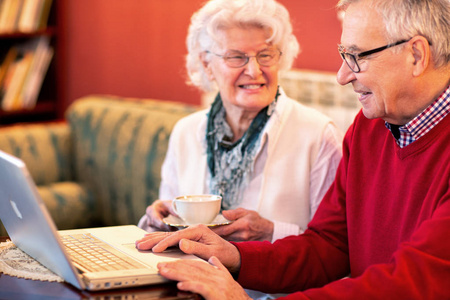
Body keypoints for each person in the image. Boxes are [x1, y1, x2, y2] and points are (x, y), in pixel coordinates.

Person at [136, 0, 450, 298]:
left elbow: (411, 284)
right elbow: (331, 245)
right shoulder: (369, 127)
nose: (342, 76)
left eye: (357, 55)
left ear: (417, 55)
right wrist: (234, 256)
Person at [138, 0, 342, 246]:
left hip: (271, 286)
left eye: (265, 55)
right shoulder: (186, 132)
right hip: (191, 278)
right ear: (206, 64)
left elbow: (334, 247)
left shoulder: (318, 136)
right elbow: (169, 231)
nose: (254, 71)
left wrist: (272, 233)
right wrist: (159, 220)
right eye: (236, 57)